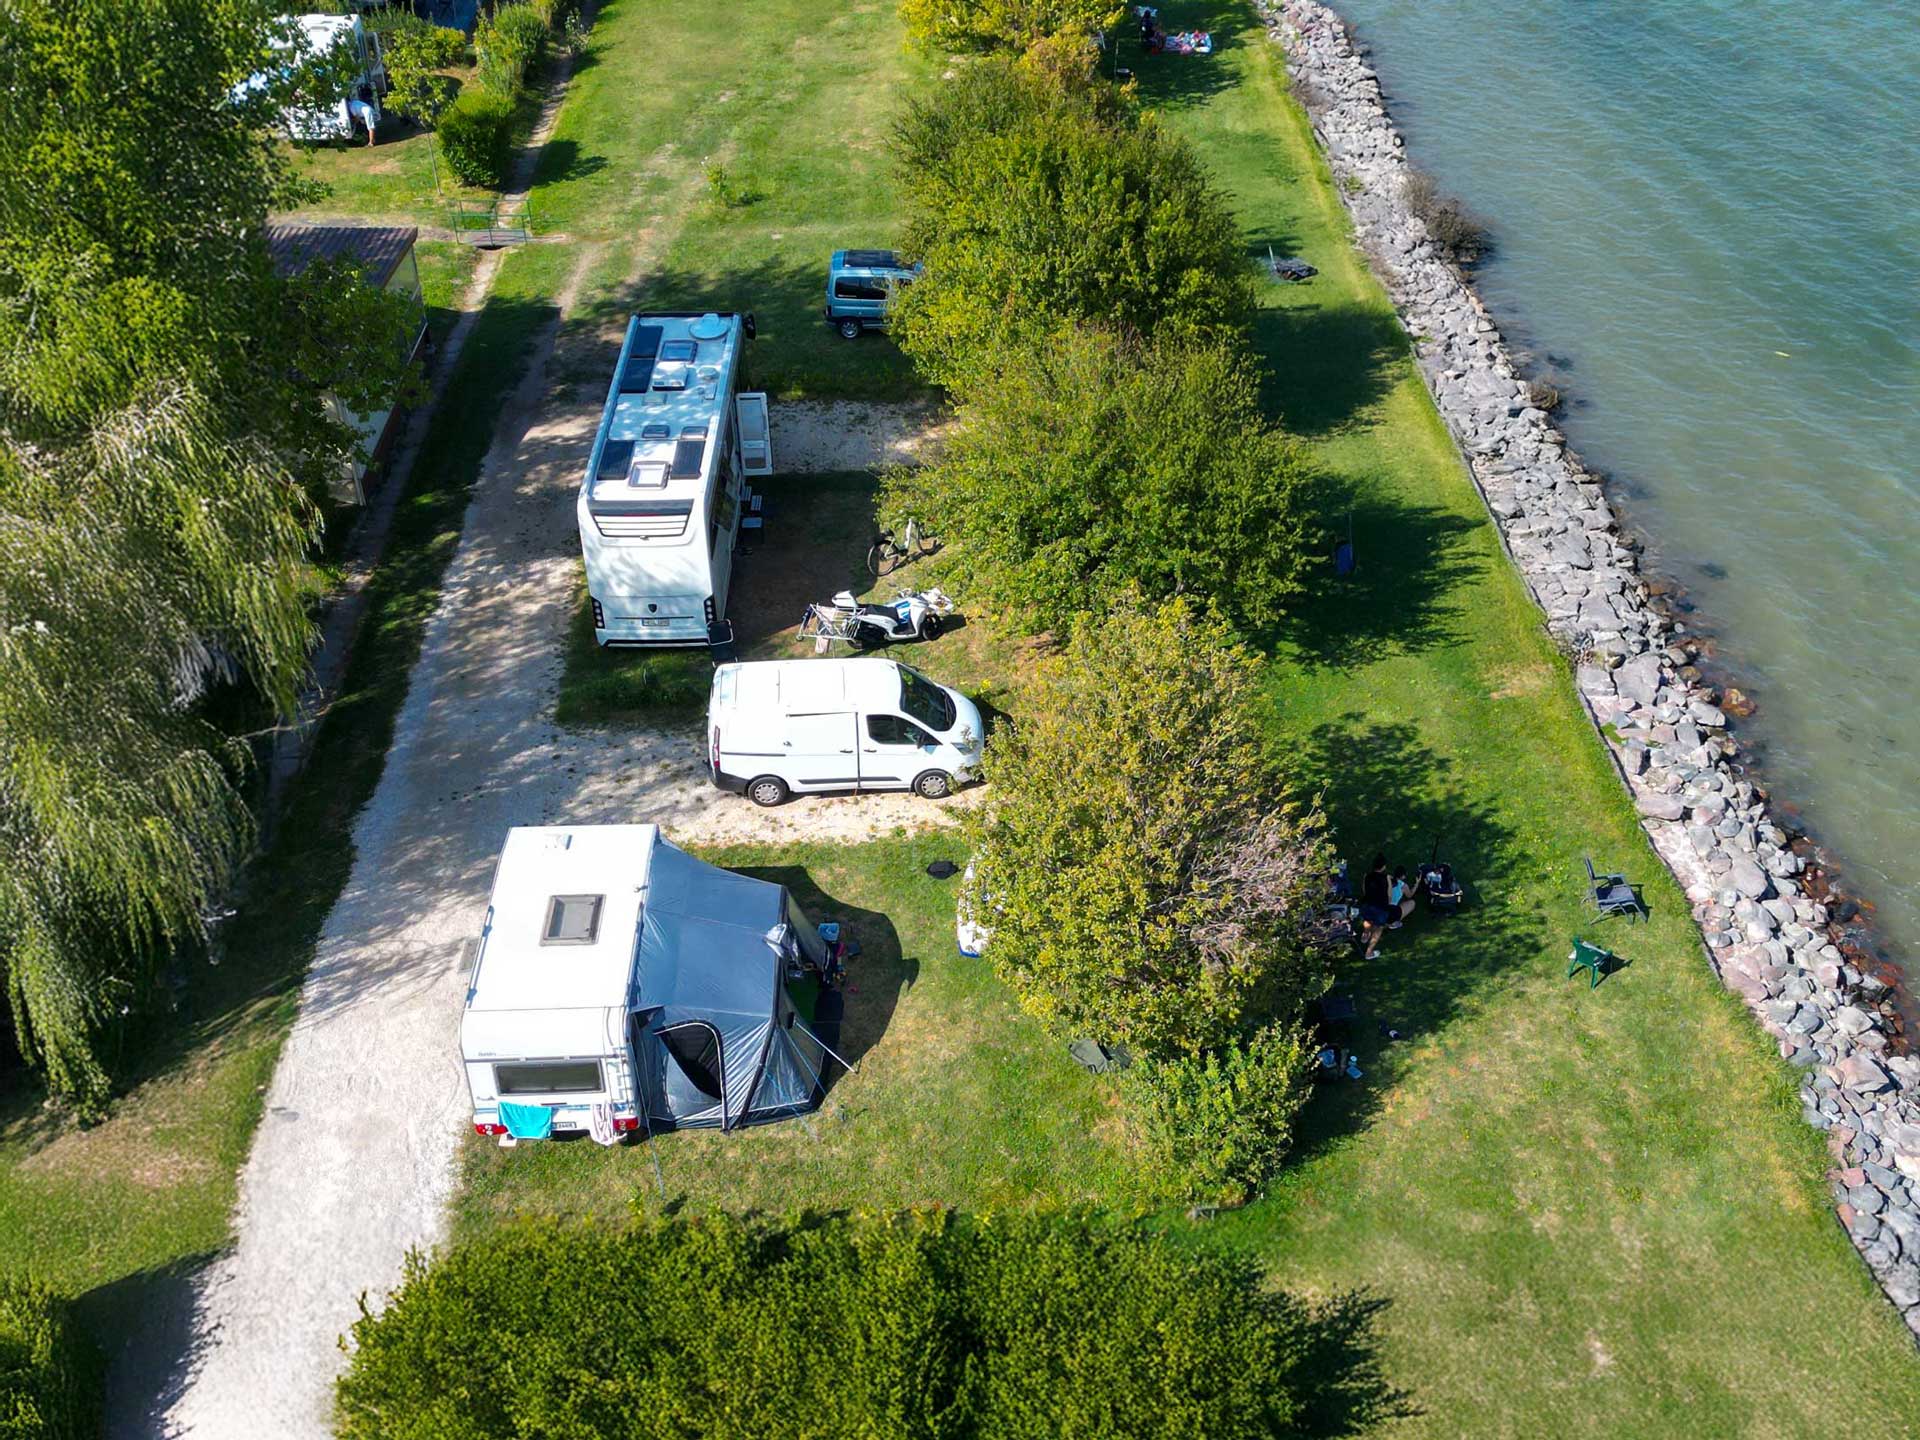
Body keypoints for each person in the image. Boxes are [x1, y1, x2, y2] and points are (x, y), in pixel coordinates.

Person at [1358, 853, 1391, 960]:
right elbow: (1389, 895)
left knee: (1367, 920)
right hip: (1380, 907)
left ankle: (1365, 935)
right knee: (1378, 928)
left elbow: (1364, 890)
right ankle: (1369, 952)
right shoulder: (1386, 878)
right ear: (1384, 866)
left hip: (1367, 904)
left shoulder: (1366, 876)